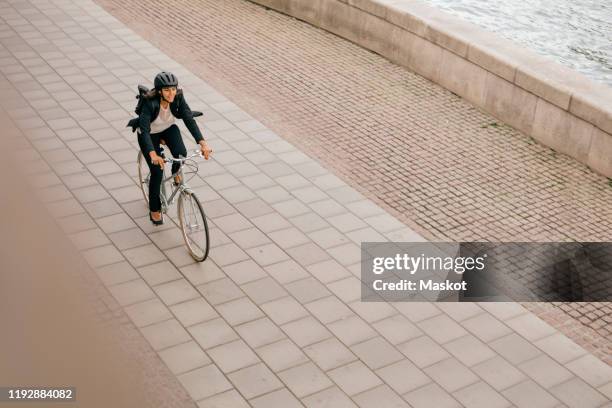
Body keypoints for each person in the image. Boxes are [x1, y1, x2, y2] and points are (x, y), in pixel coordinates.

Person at [136, 71, 212, 225]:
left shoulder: (178, 97)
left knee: (181, 154)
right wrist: (153, 155)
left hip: (167, 129)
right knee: (157, 171)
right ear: (159, 91)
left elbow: (188, 119)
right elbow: (144, 131)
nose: (171, 93)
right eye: (166, 90)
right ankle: (154, 210)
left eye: (173, 89)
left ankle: (176, 173)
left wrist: (203, 143)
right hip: (149, 134)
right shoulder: (149, 103)